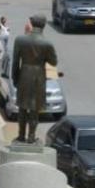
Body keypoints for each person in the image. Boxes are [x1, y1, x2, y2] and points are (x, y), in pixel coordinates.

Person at [11, 15, 59, 144]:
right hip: (39, 77)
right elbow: (53, 62)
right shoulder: (47, 43)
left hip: (24, 75)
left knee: (22, 107)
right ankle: (31, 136)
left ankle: (21, 135)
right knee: (34, 109)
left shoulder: (20, 40)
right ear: (43, 26)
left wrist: (15, 78)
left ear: (31, 24)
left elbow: (15, 62)